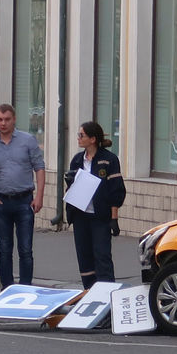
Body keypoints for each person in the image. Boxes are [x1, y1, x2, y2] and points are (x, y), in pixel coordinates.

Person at [0, 103, 45, 289]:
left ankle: (26, 287)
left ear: (14, 120)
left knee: (25, 249)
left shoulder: (28, 140)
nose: (3, 123)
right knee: (4, 249)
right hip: (1, 202)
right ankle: (7, 288)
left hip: (24, 200)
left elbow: (39, 167)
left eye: (7, 119)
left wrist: (39, 197)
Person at [65, 121, 126, 289]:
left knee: (102, 256)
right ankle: (88, 293)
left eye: (81, 135)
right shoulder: (77, 160)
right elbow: (71, 188)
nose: (78, 138)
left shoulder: (108, 160)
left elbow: (116, 190)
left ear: (92, 139)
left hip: (100, 216)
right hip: (80, 216)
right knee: (84, 257)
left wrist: (114, 217)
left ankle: (107, 295)